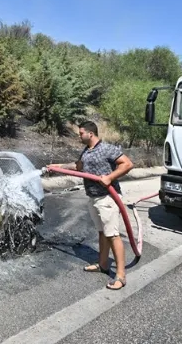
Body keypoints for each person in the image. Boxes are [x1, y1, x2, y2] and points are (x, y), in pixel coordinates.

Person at [49, 121, 134, 290]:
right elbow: (77, 166)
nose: (79, 136)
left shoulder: (107, 148)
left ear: (90, 134)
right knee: (102, 233)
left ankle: (121, 276)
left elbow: (127, 164)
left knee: (113, 235)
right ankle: (103, 264)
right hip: (94, 197)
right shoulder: (86, 151)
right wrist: (58, 167)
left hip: (108, 198)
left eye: (81, 133)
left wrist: (110, 177)